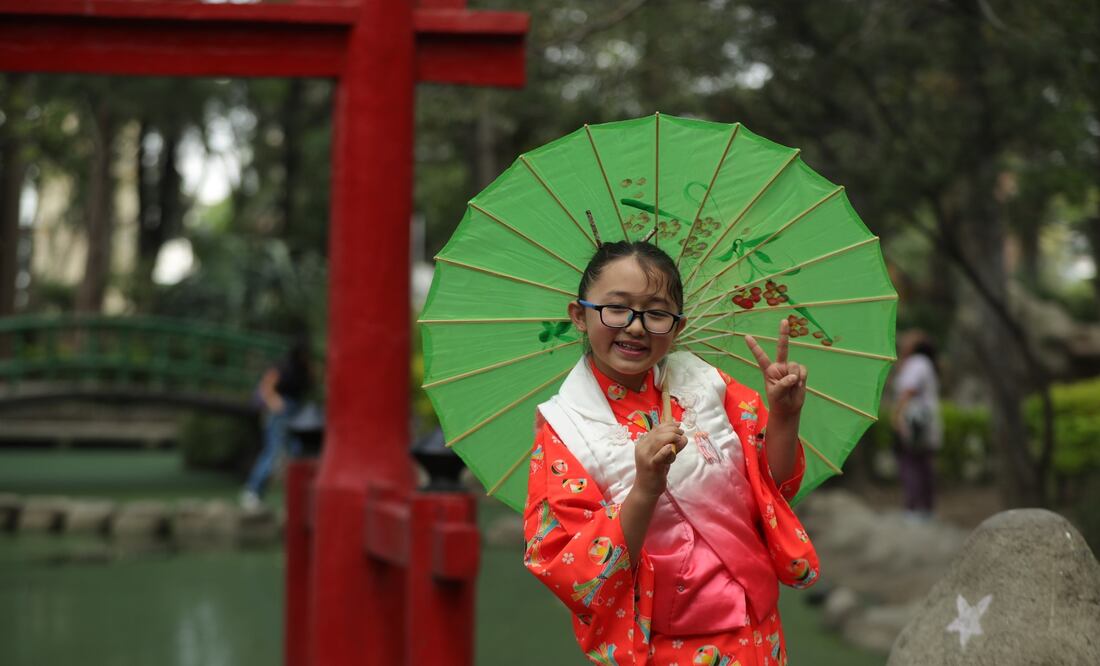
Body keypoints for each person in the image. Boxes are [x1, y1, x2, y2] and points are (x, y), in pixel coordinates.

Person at [523, 240, 818, 665]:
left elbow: (773, 488)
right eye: (616, 308)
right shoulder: (566, 428)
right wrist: (645, 488)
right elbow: (570, 567)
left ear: (678, 326)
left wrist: (786, 417)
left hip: (757, 626)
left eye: (657, 313)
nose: (636, 327)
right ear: (579, 315)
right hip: (664, 644)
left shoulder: (707, 385)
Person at [240, 334, 313, 510]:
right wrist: (275, 403)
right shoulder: (283, 366)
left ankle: (294, 498)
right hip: (281, 412)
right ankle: (252, 491)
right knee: (274, 451)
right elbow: (266, 386)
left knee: (296, 451)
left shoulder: (304, 369)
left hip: (296, 413)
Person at [890, 330, 942, 521]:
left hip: (915, 424)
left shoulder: (917, 362)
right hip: (925, 422)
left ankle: (914, 508)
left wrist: (896, 414)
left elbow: (909, 389)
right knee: (923, 464)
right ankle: (926, 508)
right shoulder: (924, 363)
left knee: (911, 463)